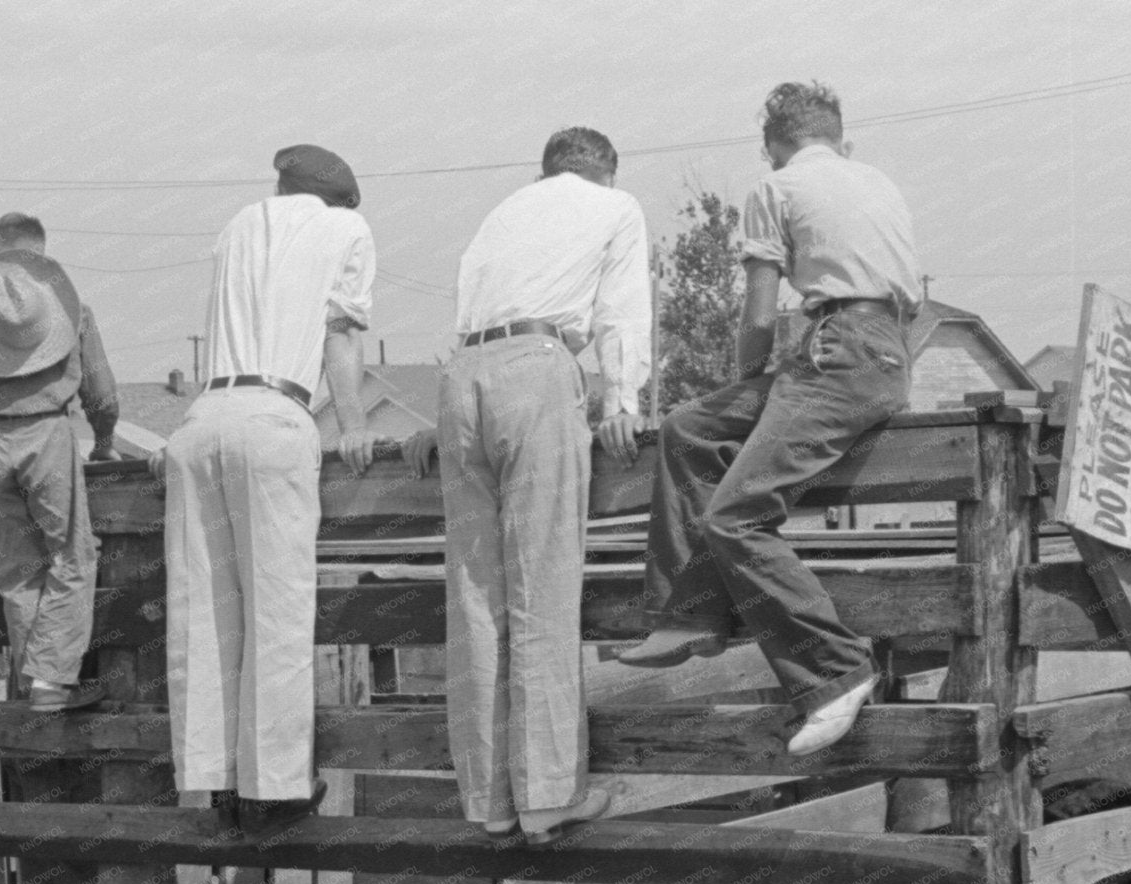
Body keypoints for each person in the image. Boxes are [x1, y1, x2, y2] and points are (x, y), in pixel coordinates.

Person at [619, 82, 918, 755]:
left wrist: (750, 374)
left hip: (835, 352)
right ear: (841, 137)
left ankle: (836, 670)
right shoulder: (879, 182)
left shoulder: (777, 187)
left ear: (773, 146)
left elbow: (758, 314)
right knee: (691, 427)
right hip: (881, 350)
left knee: (737, 515)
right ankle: (689, 613)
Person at [404, 128, 650, 844]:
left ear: (544, 170)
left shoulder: (504, 212)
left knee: (476, 595)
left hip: (462, 381)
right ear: (605, 171)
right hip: (538, 365)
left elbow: (471, 324)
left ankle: (488, 799)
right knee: (542, 583)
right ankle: (546, 795)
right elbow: (622, 312)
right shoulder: (614, 207)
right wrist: (623, 401)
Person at [158, 145, 376, 833]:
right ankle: (274, 788)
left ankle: (211, 778)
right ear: (340, 199)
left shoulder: (238, 225)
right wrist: (352, 424)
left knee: (204, 609)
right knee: (278, 605)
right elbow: (338, 337)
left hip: (201, 419)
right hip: (275, 412)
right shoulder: (347, 230)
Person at [0, 212, 120, 711]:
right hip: (47, 431)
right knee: (73, 556)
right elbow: (102, 395)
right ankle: (51, 680)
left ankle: (30, 685)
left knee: (17, 569)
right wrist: (105, 440)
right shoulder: (74, 314)